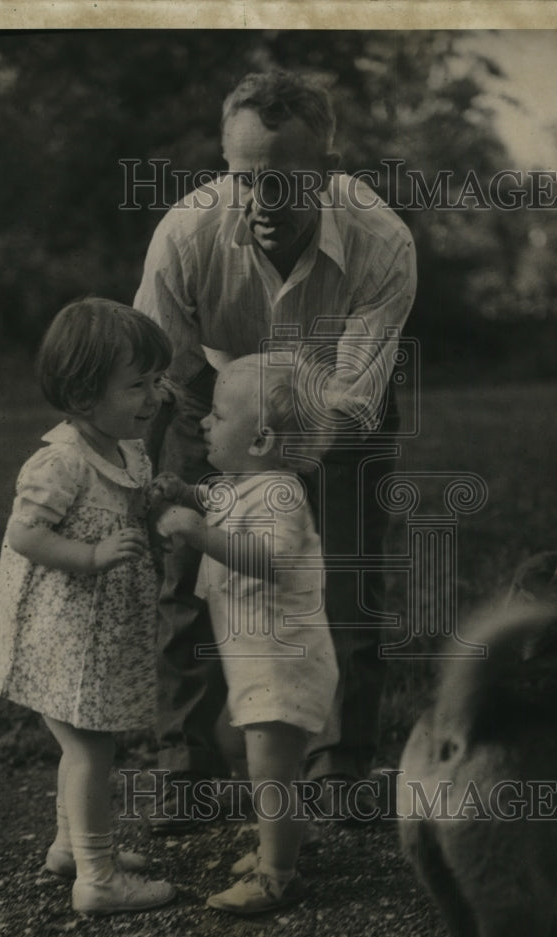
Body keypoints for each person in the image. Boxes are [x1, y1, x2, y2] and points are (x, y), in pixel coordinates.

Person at [134, 69, 417, 822]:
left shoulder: (381, 241)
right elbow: (155, 380)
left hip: (337, 406)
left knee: (343, 570)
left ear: (326, 169)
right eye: (244, 179)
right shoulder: (186, 235)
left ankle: (338, 768)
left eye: (285, 181)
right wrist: (143, 482)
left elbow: (351, 403)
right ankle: (186, 771)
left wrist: (276, 503)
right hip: (213, 394)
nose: (263, 202)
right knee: (185, 564)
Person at [0, 297, 176, 914]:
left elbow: (128, 502)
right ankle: (97, 879)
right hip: (65, 635)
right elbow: (24, 534)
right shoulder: (61, 460)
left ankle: (73, 848)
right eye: (137, 386)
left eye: (156, 380)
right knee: (91, 750)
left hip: (95, 634)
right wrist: (90, 557)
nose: (154, 397)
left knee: (82, 748)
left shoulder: (126, 448)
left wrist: (157, 500)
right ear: (83, 398)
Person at [155, 356, 338, 912]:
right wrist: (186, 494)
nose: (205, 424)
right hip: (258, 662)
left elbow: (273, 558)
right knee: (254, 754)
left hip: (283, 663)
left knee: (268, 767)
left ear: (259, 439)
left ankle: (277, 875)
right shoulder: (244, 486)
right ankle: (277, 843)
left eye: (216, 414)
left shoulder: (281, 494)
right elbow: (215, 502)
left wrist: (199, 536)